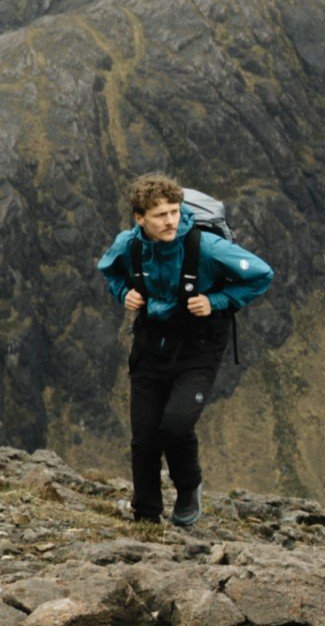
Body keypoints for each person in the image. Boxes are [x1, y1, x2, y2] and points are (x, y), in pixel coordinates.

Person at [97, 174, 273, 527]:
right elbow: (109, 270)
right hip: (150, 344)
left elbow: (261, 273)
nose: (170, 221)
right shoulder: (128, 246)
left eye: (174, 212)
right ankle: (146, 515)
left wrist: (217, 300)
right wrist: (123, 294)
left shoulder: (205, 246)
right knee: (144, 436)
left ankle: (188, 489)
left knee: (175, 426)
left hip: (198, 348)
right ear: (139, 218)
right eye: (160, 214)